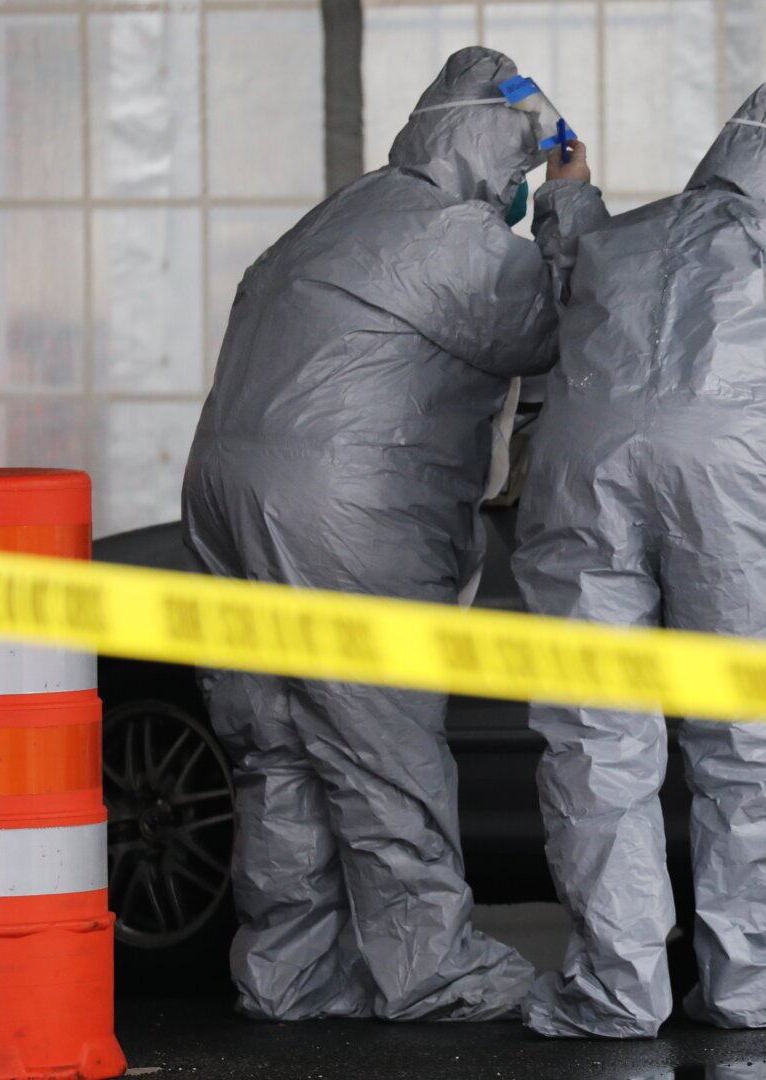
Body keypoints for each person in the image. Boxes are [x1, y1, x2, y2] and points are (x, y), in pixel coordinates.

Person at [181, 46, 582, 1023]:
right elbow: (568, 324)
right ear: (491, 152)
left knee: (277, 743)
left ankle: (290, 969)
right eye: (518, 166)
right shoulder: (451, 237)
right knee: (379, 738)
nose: (516, 188)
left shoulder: (341, 213)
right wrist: (570, 202)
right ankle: (428, 971)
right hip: (341, 504)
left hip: (224, 489)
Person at [513, 81, 766, 1038]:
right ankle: (749, 987)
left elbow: (564, 279)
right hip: (729, 477)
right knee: (744, 733)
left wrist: (566, 196)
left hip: (583, 467)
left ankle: (617, 990)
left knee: (596, 734)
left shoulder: (622, 238)